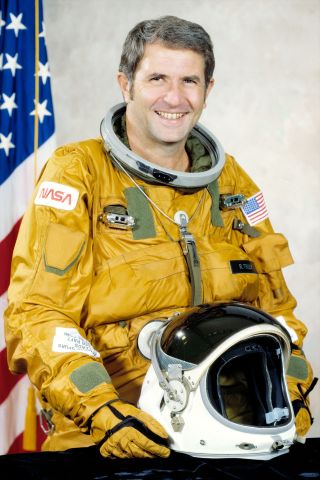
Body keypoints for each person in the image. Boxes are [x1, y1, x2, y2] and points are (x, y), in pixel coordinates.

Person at [4, 15, 315, 459]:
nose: (175, 97)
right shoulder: (79, 173)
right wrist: (102, 410)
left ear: (209, 90)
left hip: (234, 428)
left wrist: (293, 384)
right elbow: (40, 314)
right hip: (117, 433)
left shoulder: (232, 184)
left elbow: (278, 312)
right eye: (157, 78)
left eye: (190, 80)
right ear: (126, 84)